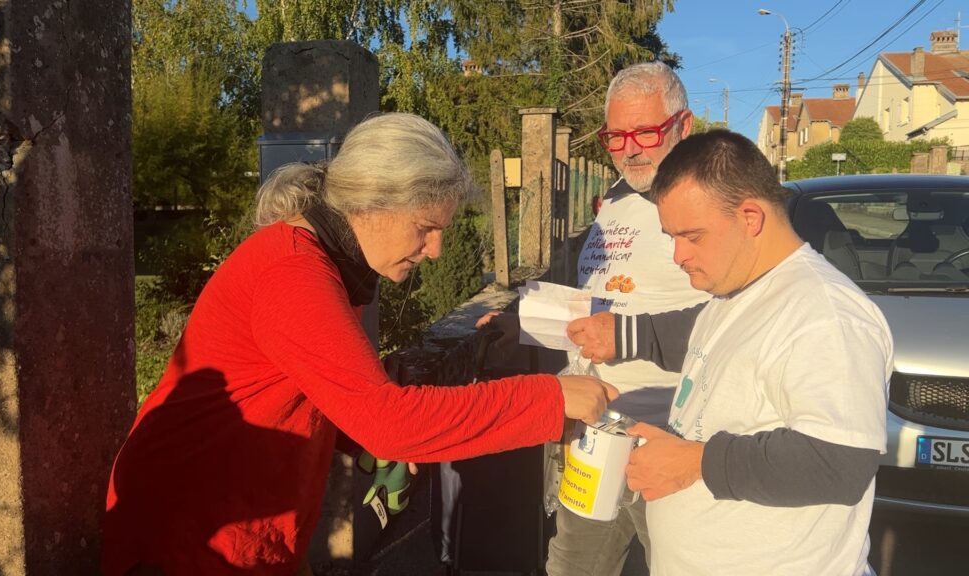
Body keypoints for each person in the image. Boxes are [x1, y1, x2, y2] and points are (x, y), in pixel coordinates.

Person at [103, 112, 618, 576]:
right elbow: (391, 423)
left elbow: (319, 393)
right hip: (191, 537)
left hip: (247, 521)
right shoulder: (293, 274)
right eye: (426, 228)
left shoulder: (325, 265)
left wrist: (363, 434)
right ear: (372, 205)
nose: (436, 250)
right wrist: (550, 398)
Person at [478, 61, 710, 575]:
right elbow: (597, 300)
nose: (630, 149)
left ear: (684, 126)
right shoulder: (616, 203)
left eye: (646, 133)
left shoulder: (713, 201)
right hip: (597, 432)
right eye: (616, 136)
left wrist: (629, 336)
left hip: (676, 435)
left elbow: (741, 318)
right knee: (572, 566)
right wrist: (521, 321)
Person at [626, 129, 893, 574]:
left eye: (691, 236)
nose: (677, 255)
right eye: (671, 236)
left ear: (750, 217)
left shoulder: (825, 313)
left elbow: (840, 462)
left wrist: (694, 462)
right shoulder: (737, 292)